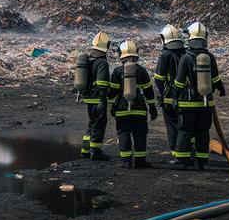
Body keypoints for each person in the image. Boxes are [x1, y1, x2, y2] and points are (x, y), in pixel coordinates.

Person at [171, 21, 225, 170]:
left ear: (190, 38)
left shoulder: (185, 58)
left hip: (188, 104)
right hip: (206, 104)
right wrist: (221, 89)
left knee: (185, 132)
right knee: (203, 132)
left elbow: (179, 82)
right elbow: (216, 79)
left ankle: (182, 160)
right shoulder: (210, 57)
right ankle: (202, 161)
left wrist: (174, 97)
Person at [106, 40, 158, 168]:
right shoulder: (142, 71)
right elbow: (149, 92)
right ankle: (140, 161)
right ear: (136, 54)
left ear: (121, 55)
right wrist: (152, 108)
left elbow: (112, 92)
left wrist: (111, 106)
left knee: (123, 133)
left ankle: (126, 161)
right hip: (140, 109)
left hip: (122, 109)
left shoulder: (117, 71)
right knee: (140, 134)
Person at [153, 24, 186, 162]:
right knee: (185, 127)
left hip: (169, 98)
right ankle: (188, 152)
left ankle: (177, 155)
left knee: (172, 126)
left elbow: (159, 78)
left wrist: (160, 96)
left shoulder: (165, 56)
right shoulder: (186, 54)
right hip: (187, 98)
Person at [80, 32, 112, 161]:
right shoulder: (101, 62)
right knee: (99, 123)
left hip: (89, 97)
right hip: (98, 98)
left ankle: (85, 150)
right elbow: (102, 83)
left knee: (92, 123)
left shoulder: (89, 59)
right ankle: (95, 151)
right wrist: (102, 100)